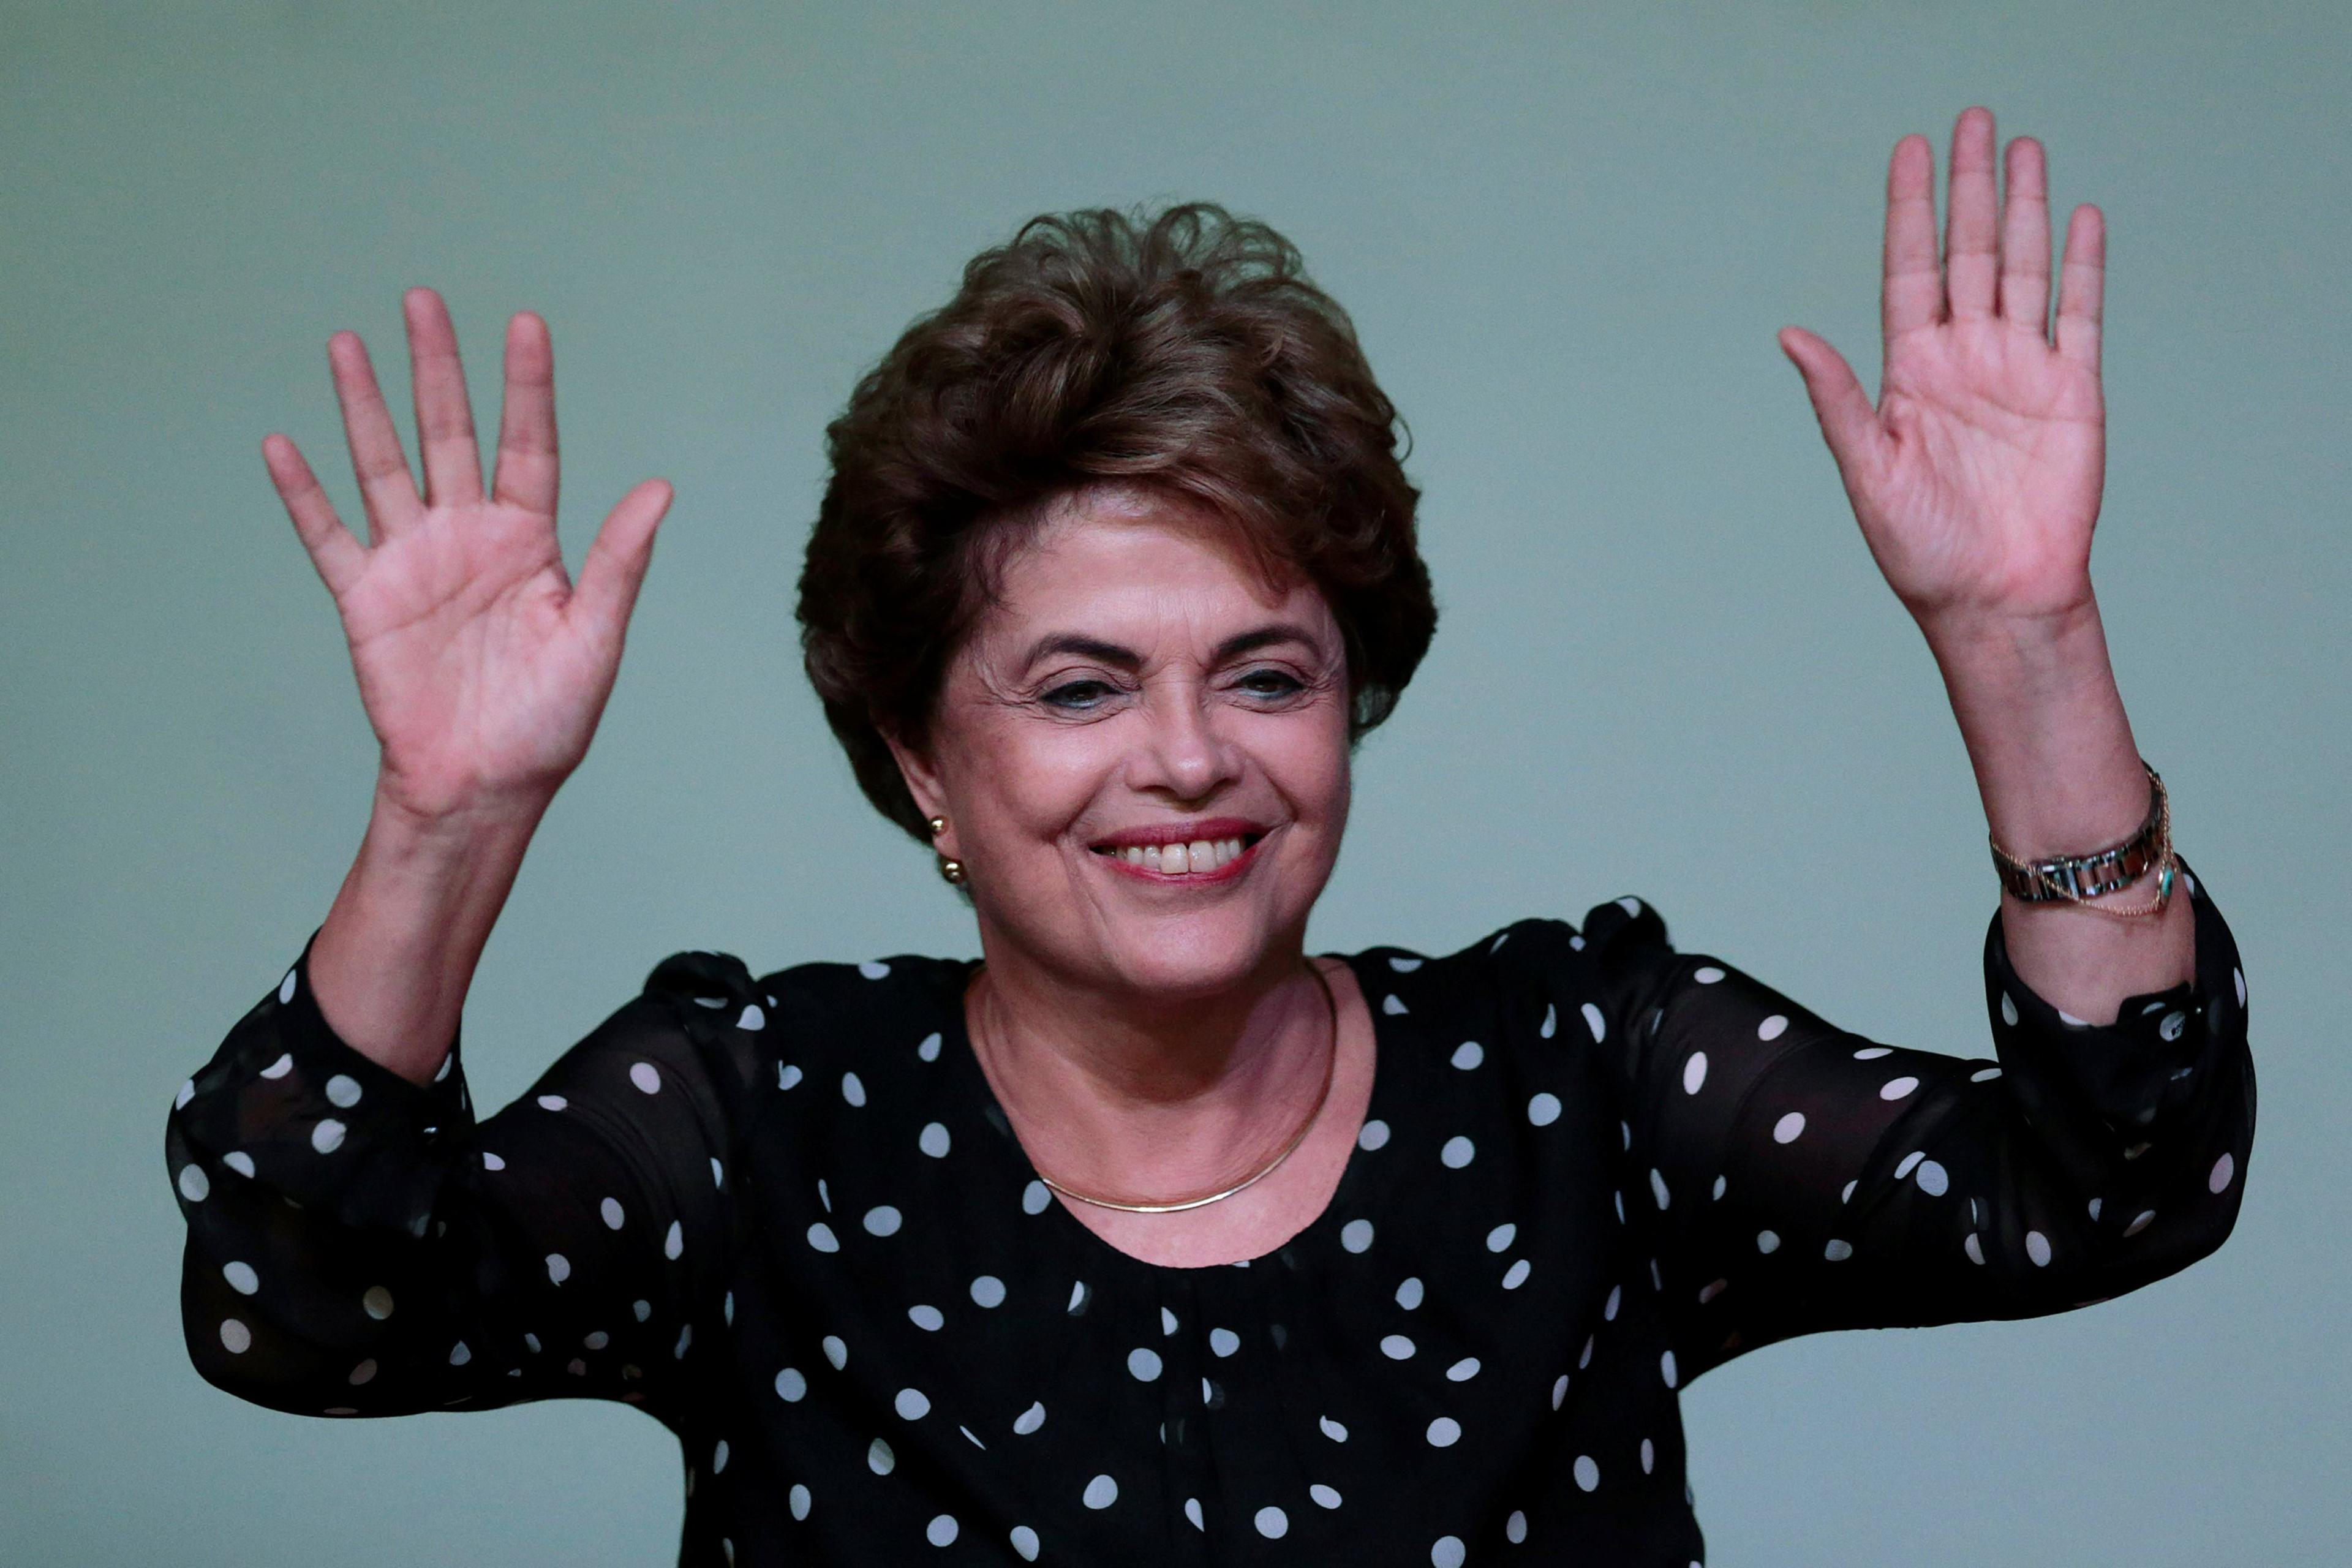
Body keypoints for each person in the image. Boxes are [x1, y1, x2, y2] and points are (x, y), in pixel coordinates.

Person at [165, 106, 2252, 1566]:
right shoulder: (764, 1122)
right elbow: (310, 1311)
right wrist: (449, 821)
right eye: (1077, 687)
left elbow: (2114, 1181)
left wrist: (2022, 636)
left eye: (1265, 673)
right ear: (919, 759)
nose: (1190, 759)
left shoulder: (1577, 1081)